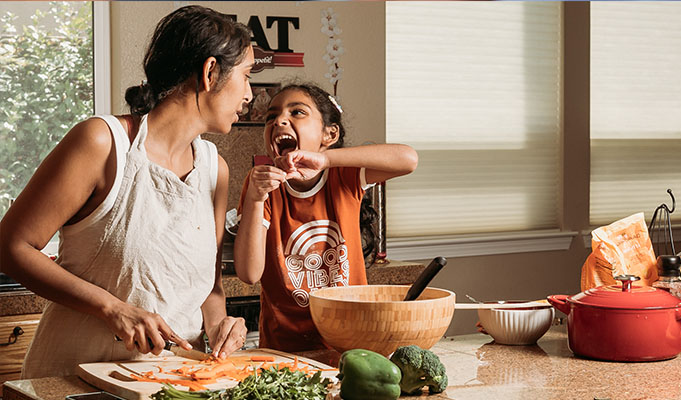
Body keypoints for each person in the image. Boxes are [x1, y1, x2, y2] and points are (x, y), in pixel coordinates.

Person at [0, 5, 253, 378]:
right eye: (246, 76)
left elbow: (208, 287)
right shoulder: (103, 142)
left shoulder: (216, 169)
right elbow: (10, 247)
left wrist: (219, 326)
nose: (248, 94)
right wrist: (111, 308)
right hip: (73, 380)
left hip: (169, 383)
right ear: (210, 72)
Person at [233, 83, 418, 352]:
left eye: (297, 112)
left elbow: (408, 159)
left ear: (329, 134)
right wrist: (256, 197)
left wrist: (326, 160)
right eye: (271, 117)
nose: (280, 120)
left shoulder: (344, 176)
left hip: (351, 340)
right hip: (286, 349)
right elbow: (249, 274)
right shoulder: (261, 185)